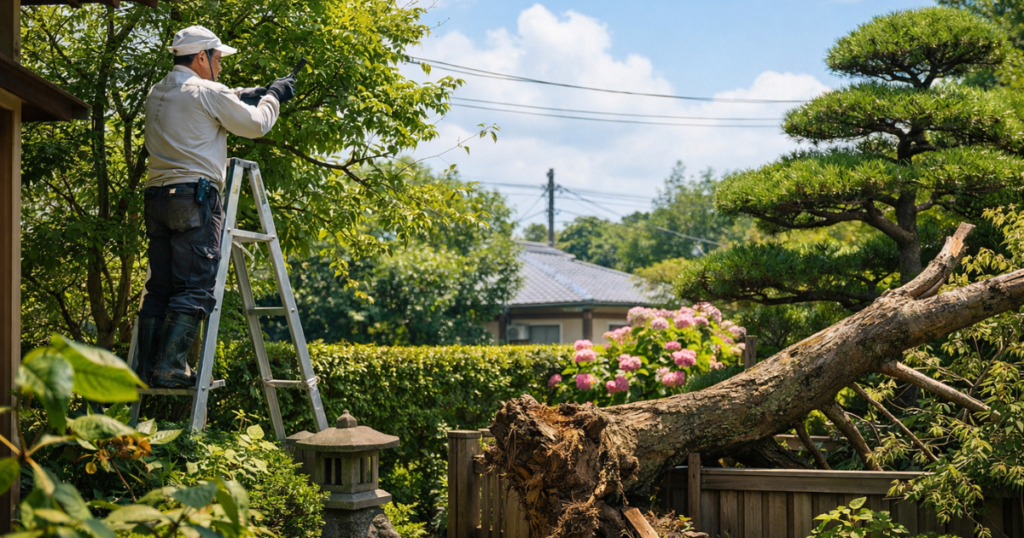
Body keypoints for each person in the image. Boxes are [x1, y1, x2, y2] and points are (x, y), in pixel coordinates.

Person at [135, 26, 295, 388]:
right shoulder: (208, 92)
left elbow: (207, 97)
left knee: (160, 286)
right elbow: (256, 126)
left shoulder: (158, 91)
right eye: (218, 58)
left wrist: (245, 93)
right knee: (195, 284)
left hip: (157, 198)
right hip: (195, 198)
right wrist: (272, 97)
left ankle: (145, 369)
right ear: (201, 56)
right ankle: (172, 367)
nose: (220, 66)